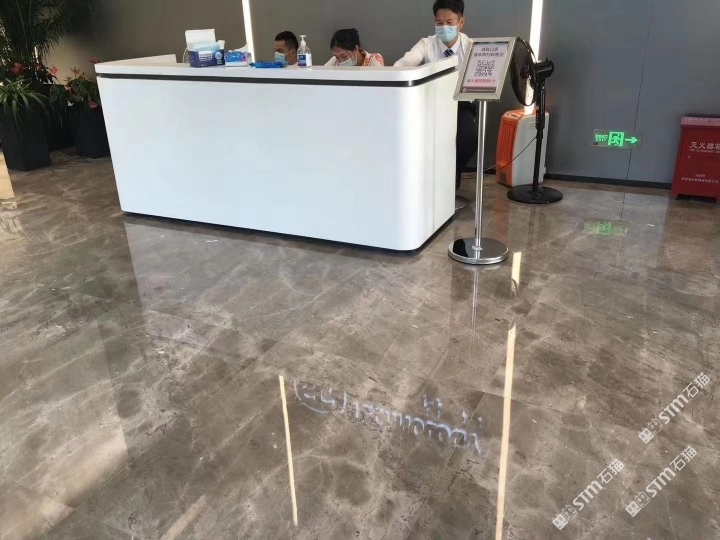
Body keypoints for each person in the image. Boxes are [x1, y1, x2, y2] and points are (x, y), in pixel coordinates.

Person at [394, 0, 475, 190]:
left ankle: (451, 178)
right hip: (430, 103)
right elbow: (402, 65)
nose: (444, 27)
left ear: (461, 22)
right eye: (439, 23)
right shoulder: (426, 44)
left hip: (461, 103)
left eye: (449, 22)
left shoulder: (471, 47)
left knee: (468, 140)